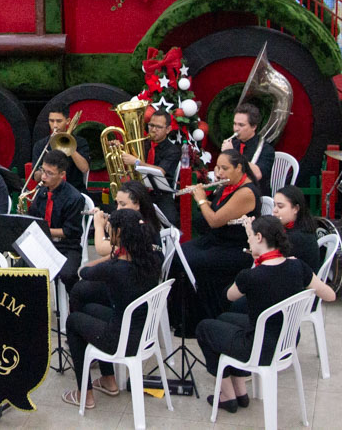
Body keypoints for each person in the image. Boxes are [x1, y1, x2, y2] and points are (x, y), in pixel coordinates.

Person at [196, 215, 335, 413]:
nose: (249, 241)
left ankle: (227, 396)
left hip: (260, 347)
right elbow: (330, 296)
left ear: (259, 237)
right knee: (224, 319)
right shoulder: (298, 266)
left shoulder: (251, 276)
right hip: (287, 340)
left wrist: (254, 263)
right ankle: (241, 390)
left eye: (250, 238)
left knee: (204, 328)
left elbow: (229, 295)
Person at [61, 209, 160, 409]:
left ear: (119, 234)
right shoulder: (151, 259)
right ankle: (108, 379)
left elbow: (83, 272)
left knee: (73, 321)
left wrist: (99, 227)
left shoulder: (115, 269)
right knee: (88, 309)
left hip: (123, 339)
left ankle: (84, 394)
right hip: (142, 331)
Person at [170, 149, 261, 335]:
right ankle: (178, 316)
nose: (219, 173)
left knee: (190, 261)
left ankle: (197, 320)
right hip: (218, 240)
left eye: (224, 168)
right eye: (218, 167)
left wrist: (202, 201)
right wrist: (206, 200)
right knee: (178, 252)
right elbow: (219, 209)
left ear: (239, 168)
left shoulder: (246, 192)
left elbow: (215, 220)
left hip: (237, 248)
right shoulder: (228, 185)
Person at [27, 150, 86, 292]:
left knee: (68, 275)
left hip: (66, 247)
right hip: (43, 244)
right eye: (43, 171)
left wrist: (42, 230)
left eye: (50, 174)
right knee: (20, 272)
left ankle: (74, 306)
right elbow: (33, 216)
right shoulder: (41, 191)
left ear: (62, 175)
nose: (44, 177)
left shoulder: (74, 198)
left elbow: (70, 231)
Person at [121, 109, 180, 225]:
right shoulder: (143, 143)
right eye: (151, 125)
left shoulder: (173, 150)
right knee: (121, 213)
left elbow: (160, 171)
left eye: (158, 127)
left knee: (170, 221)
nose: (153, 130)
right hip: (139, 190)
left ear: (168, 129)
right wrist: (118, 148)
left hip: (161, 193)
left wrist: (137, 162)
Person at [221, 103, 275, 197]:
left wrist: (233, 154)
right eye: (235, 124)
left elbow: (257, 174)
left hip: (254, 196)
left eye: (241, 125)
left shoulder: (266, 149)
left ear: (254, 127)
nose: (236, 129)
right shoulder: (233, 143)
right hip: (232, 194)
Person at [32, 106, 90, 192]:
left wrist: (70, 147)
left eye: (59, 121)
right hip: (48, 191)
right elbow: (36, 177)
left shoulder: (80, 142)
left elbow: (84, 168)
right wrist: (46, 170)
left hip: (74, 191)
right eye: (51, 121)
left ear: (67, 121)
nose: (55, 125)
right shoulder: (41, 145)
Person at [271, 185, 321, 272]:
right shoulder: (296, 227)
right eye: (274, 205)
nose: (275, 210)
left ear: (296, 209)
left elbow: (272, 259)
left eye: (280, 206)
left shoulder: (299, 236)